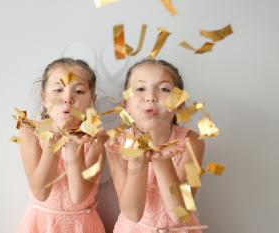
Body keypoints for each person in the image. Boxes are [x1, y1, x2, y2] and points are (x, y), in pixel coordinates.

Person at [105, 59, 207, 233]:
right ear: (126, 104)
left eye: (164, 89)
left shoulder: (192, 142)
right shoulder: (116, 143)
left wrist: (162, 162)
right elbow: (132, 213)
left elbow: (181, 214)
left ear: (179, 103)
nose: (151, 97)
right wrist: (138, 164)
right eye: (140, 88)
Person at [17, 58, 106, 233]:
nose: (68, 98)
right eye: (58, 90)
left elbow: (78, 195)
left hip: (82, 226)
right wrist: (55, 142)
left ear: (91, 101)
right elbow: (40, 192)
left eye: (79, 91)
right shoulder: (30, 132)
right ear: (43, 97)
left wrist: (73, 144)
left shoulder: (96, 138)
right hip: (41, 225)